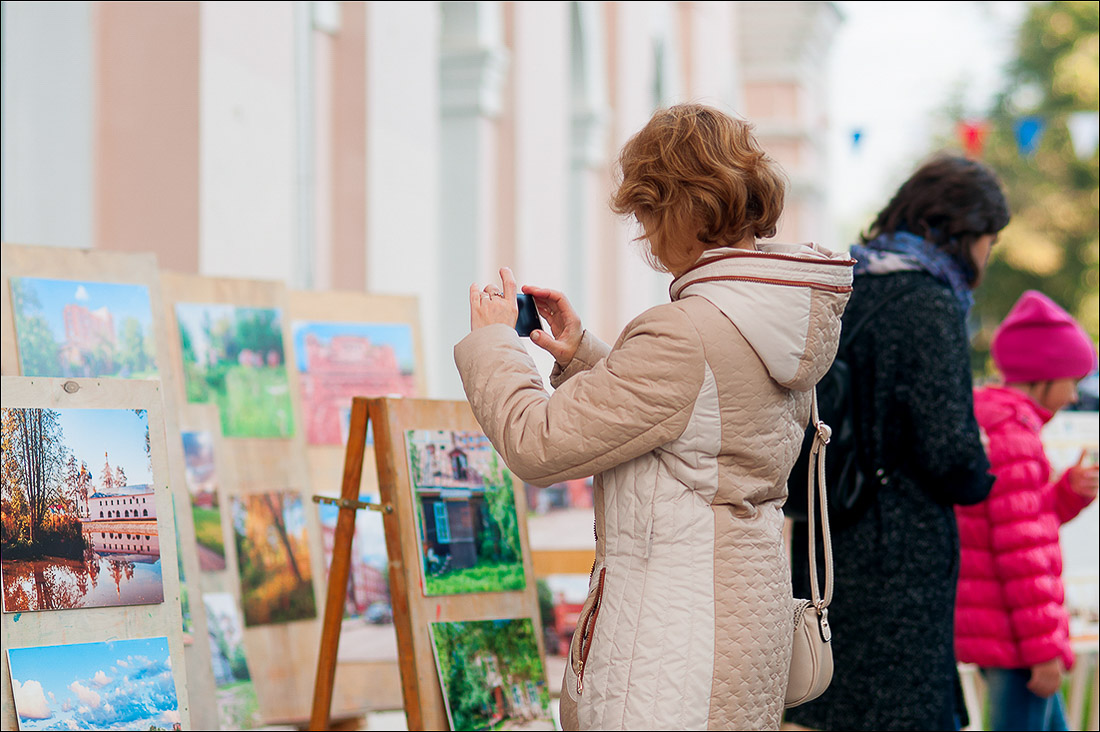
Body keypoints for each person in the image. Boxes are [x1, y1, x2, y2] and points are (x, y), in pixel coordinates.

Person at [453, 104, 853, 731]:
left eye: (645, 214)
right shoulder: (770, 315)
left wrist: (495, 344)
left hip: (671, 649)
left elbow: (537, 444)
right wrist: (586, 356)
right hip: (741, 628)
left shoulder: (685, 331)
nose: (643, 236)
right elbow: (699, 428)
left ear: (679, 209)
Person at [787, 154, 1011, 730]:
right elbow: (947, 450)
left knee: (831, 704)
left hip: (826, 534)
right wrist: (979, 471)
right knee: (899, 709)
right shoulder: (928, 303)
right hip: (899, 552)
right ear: (964, 232)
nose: (988, 255)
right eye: (990, 240)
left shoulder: (847, 285)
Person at [955, 290, 1099, 731]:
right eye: (1072, 380)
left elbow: (1023, 524)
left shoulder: (999, 423)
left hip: (1005, 632)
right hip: (1018, 645)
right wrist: (1045, 654)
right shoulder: (1013, 436)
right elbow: (1023, 559)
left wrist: (1069, 492)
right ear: (1043, 376)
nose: (1074, 395)